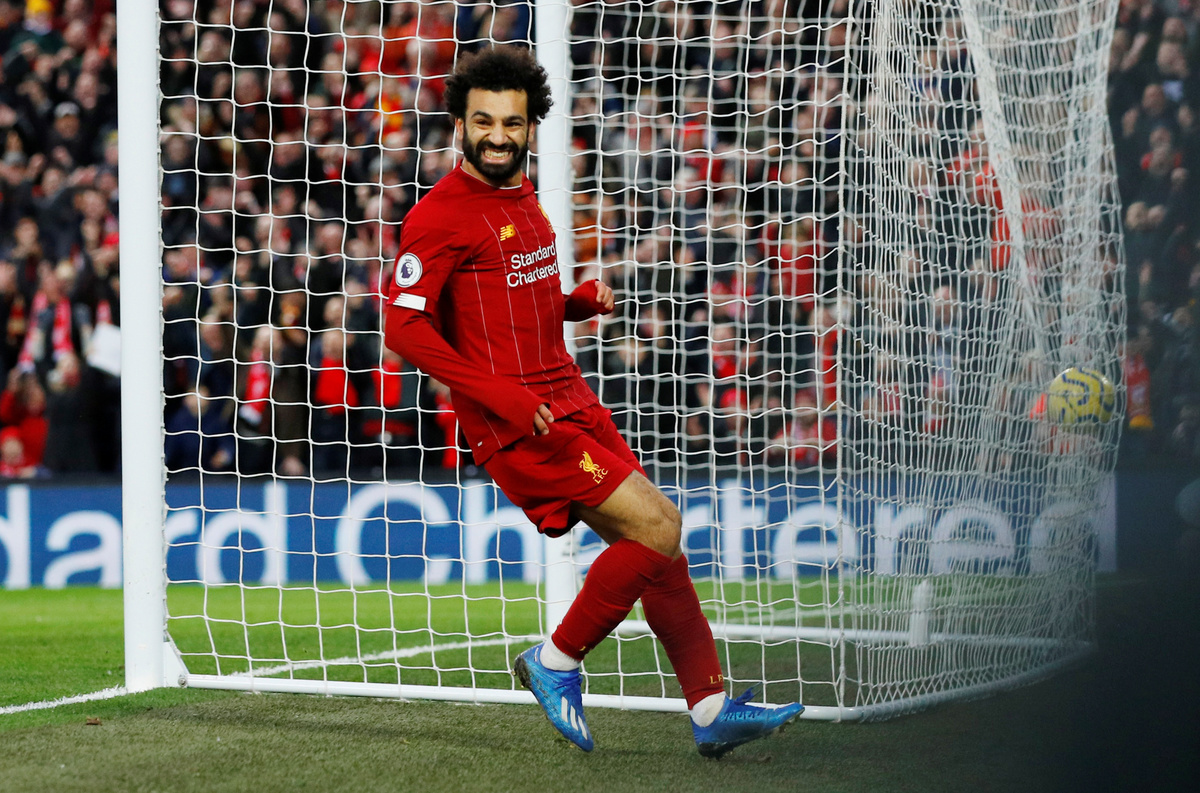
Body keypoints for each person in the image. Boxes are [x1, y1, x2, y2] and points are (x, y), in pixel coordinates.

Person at [382, 45, 802, 758]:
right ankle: (555, 661)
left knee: (660, 548)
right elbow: (403, 327)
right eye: (483, 121)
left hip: (567, 395)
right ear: (459, 123)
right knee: (659, 526)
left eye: (511, 123)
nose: (497, 136)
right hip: (523, 422)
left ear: (530, 127)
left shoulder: (522, 195)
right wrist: (503, 397)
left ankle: (709, 708)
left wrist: (573, 304)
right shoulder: (439, 215)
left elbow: (510, 305)